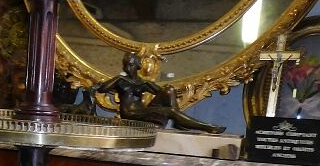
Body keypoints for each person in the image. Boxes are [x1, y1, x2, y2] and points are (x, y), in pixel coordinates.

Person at [84, 51, 226, 134]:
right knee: (169, 112)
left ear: (138, 66)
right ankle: (206, 127)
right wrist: (118, 78)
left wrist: (152, 85)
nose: (127, 68)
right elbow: (102, 89)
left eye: (131, 64)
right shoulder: (121, 80)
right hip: (131, 114)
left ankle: (178, 121)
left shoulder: (142, 83)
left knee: (169, 89)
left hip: (142, 111)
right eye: (125, 64)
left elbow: (164, 92)